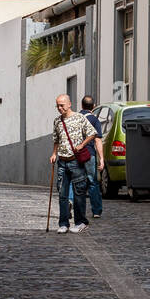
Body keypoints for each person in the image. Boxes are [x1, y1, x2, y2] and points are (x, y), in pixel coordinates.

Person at [49, 94, 97, 234]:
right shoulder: (57, 121)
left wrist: (82, 145)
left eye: (62, 105)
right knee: (63, 194)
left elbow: (92, 133)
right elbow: (56, 139)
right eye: (57, 105)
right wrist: (53, 154)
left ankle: (80, 222)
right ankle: (63, 223)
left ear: (69, 104)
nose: (59, 108)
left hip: (76, 162)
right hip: (62, 162)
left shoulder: (79, 118)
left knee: (78, 193)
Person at [77, 94, 104, 219]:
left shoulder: (75, 118)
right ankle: (96, 210)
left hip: (76, 154)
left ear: (81, 106)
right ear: (93, 107)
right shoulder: (94, 120)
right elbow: (98, 141)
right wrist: (102, 159)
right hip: (89, 155)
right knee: (93, 182)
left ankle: (72, 204)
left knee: (75, 181)